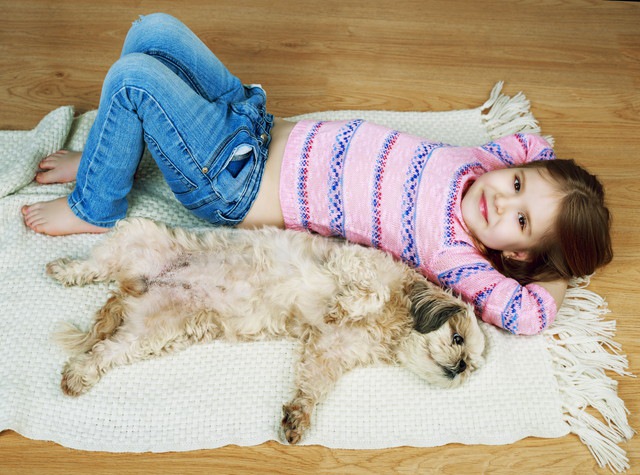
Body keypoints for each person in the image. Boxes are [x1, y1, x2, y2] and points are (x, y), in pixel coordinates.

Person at [21, 13, 612, 335]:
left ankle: (94, 204)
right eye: (517, 184)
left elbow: (525, 315)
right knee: (154, 31)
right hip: (252, 123)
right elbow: (534, 144)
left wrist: (553, 271)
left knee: (133, 79)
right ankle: (110, 156)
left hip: (232, 179)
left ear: (513, 256)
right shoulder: (485, 169)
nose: (503, 201)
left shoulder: (455, 252)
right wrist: (551, 192)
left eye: (521, 220)